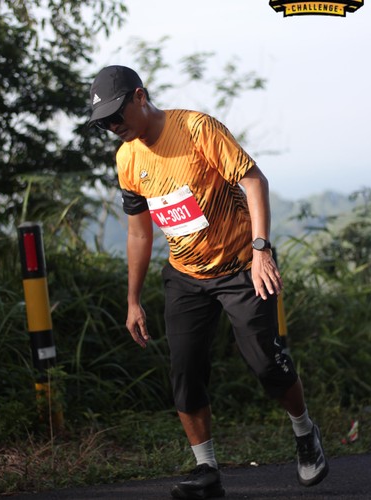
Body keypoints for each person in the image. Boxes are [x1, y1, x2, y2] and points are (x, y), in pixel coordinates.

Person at [88, 65, 329, 499]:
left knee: (266, 363)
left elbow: (253, 180)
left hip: (241, 266)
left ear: (140, 96)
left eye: (116, 115)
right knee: (185, 371)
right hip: (185, 277)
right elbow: (139, 233)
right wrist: (132, 299)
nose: (113, 126)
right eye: (103, 123)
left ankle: (304, 430)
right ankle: (207, 470)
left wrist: (261, 249)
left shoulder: (197, 129)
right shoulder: (127, 159)